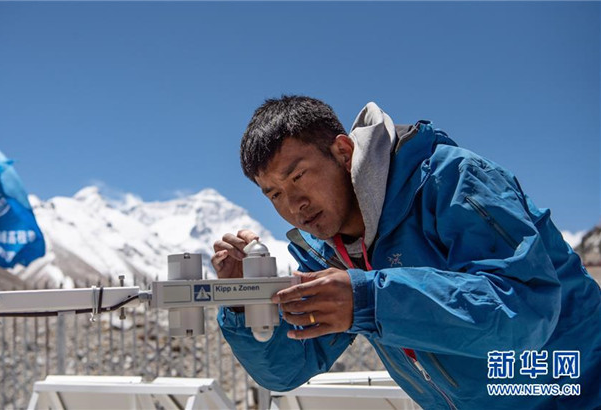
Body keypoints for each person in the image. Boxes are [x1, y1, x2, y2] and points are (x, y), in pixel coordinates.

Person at [212, 95, 601, 409]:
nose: (294, 204)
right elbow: (286, 370)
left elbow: (525, 312)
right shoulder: (326, 254)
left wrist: (372, 300)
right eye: (275, 194)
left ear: (343, 152)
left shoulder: (452, 181)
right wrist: (243, 302)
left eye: (298, 176)